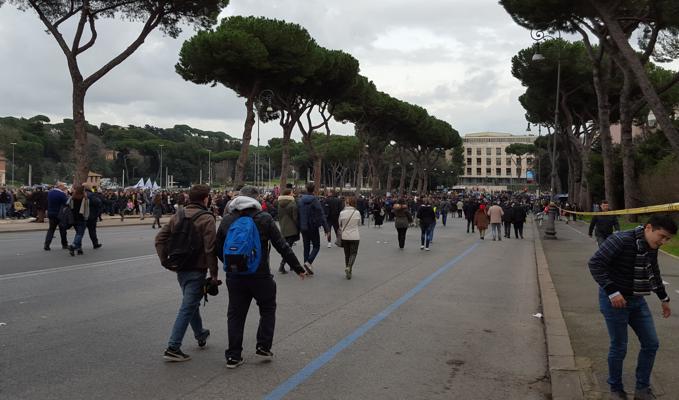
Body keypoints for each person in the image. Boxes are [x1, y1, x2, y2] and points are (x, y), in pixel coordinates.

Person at [216, 186, 306, 368]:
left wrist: (232, 265)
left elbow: (218, 248)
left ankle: (233, 356)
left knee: (235, 314)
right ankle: (263, 346)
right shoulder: (263, 218)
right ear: (256, 199)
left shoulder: (227, 220)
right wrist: (298, 268)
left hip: (235, 276)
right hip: (260, 274)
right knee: (267, 308)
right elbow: (282, 245)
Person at [588, 215, 676, 400]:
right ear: (649, 228)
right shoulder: (620, 239)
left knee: (651, 343)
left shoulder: (651, 246)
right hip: (614, 301)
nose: (664, 242)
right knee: (619, 347)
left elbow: (653, 271)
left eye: (668, 239)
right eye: (662, 236)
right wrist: (612, 291)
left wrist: (664, 298)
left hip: (637, 300)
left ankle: (642, 389)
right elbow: (595, 263)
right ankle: (616, 389)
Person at [155, 184, 218, 362]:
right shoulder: (207, 218)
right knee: (187, 306)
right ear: (205, 199)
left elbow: (159, 239)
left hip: (180, 267)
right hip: (197, 268)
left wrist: (165, 261)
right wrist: (214, 274)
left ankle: (200, 333)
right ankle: (173, 347)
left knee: (191, 303)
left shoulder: (178, 215)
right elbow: (210, 249)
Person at [297, 182, 330, 276]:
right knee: (316, 246)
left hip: (303, 226)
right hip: (313, 226)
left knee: (306, 247)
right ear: (313, 190)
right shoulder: (315, 200)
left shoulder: (300, 200)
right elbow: (321, 215)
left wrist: (298, 226)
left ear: (306, 189)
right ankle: (308, 263)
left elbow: (297, 215)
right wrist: (326, 229)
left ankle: (306, 268)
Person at [276, 188, 299, 274]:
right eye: (292, 193)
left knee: (288, 247)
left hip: (283, 227)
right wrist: (298, 226)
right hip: (292, 228)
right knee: (288, 249)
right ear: (289, 194)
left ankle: (291, 265)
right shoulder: (292, 204)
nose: (293, 194)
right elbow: (295, 218)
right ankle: (282, 265)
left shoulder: (279, 203)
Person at [339, 196, 361, 279]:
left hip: (345, 236)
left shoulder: (342, 213)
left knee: (347, 254)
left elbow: (339, 224)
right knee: (353, 253)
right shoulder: (357, 212)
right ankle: (349, 267)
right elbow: (359, 223)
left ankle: (348, 271)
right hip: (355, 235)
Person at [44, 182, 69, 251]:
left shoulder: (50, 193)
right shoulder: (62, 194)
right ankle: (64, 244)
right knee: (63, 230)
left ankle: (47, 244)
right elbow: (66, 203)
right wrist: (66, 195)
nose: (64, 187)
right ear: (60, 186)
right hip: (60, 214)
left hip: (51, 213)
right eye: (63, 186)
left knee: (51, 229)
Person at [67, 184, 89, 256]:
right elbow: (87, 208)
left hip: (74, 217)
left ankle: (79, 249)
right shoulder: (84, 197)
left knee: (78, 233)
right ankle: (73, 246)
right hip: (81, 217)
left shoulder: (73, 197)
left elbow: (68, 204)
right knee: (80, 233)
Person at [85, 184, 103, 249]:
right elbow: (98, 202)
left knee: (80, 232)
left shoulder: (80, 194)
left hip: (82, 215)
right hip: (91, 215)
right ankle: (95, 244)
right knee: (92, 230)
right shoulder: (91, 194)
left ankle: (77, 244)